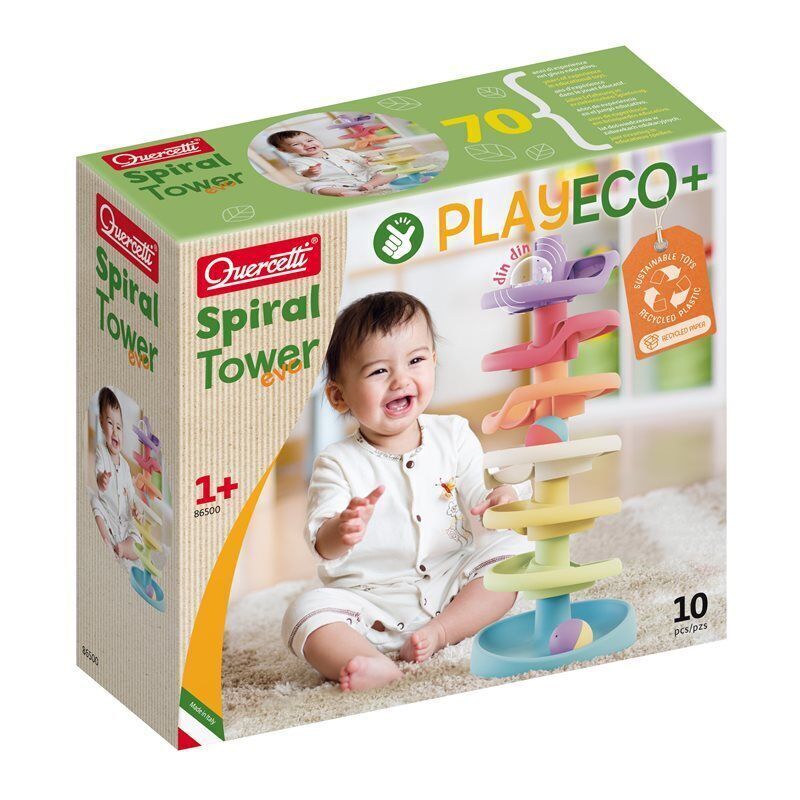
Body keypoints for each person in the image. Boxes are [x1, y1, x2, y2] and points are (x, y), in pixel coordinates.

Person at [281, 292, 529, 691]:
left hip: (452, 584)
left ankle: (442, 631)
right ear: (339, 395)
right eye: (379, 371)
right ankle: (369, 661)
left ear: (434, 361)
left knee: (516, 553)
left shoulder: (454, 434)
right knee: (303, 612)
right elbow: (322, 543)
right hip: (369, 605)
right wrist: (341, 529)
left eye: (415, 361)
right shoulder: (336, 462)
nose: (400, 380)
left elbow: (479, 498)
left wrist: (501, 501)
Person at [90, 387, 142, 560]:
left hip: (125, 523)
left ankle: (123, 548)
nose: (115, 431)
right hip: (109, 514)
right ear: (102, 425)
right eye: (110, 424)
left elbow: (132, 495)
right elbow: (98, 473)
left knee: (139, 544)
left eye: (119, 427)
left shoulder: (126, 466)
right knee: (94, 503)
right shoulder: (101, 452)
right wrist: (101, 479)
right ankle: (106, 540)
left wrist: (136, 508)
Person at [268, 130, 395, 196]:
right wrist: (311, 172)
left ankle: (370, 185)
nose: (306, 145)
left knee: (389, 168)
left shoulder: (339, 151)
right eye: (296, 144)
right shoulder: (297, 161)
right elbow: (304, 173)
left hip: (365, 175)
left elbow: (361, 161)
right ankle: (354, 193)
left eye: (310, 140)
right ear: (284, 150)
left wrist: (370, 159)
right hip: (337, 183)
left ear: (316, 139)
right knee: (310, 187)